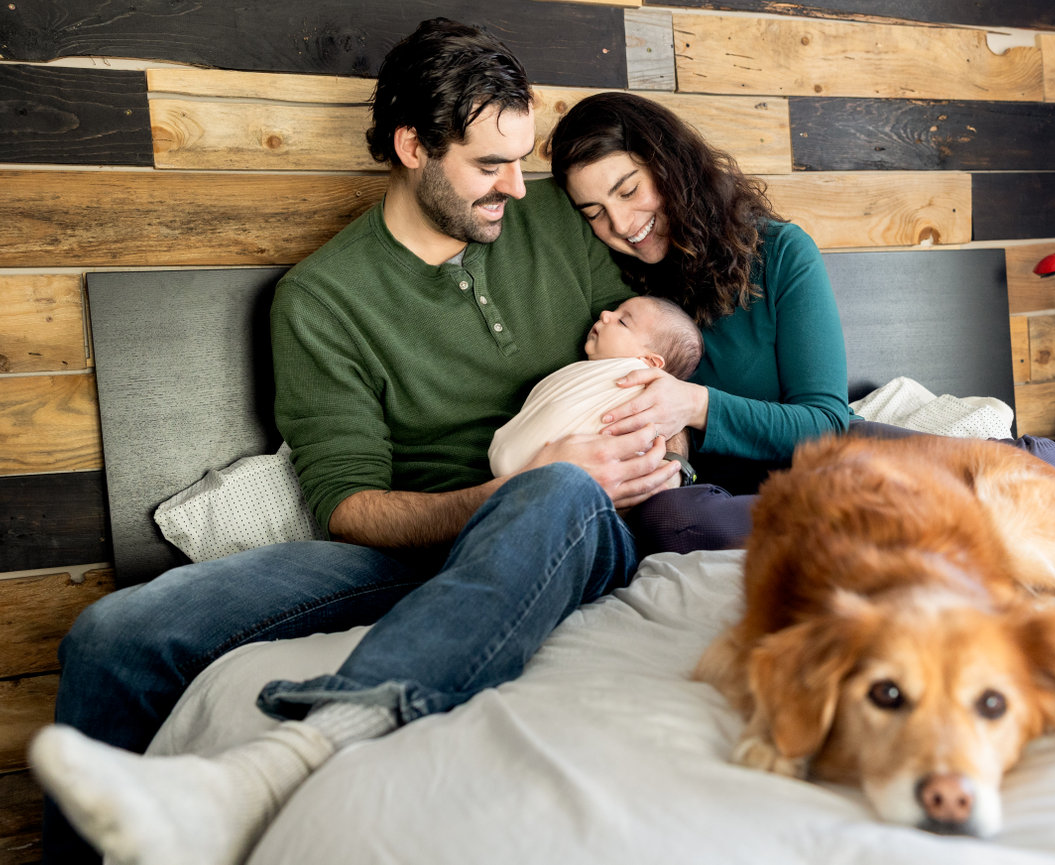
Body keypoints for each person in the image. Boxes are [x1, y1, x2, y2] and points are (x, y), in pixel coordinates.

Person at [28, 20, 683, 865]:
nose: (518, 188)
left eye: (522, 160)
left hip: (579, 528)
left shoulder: (558, 221)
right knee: (112, 636)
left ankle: (285, 759)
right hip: (412, 550)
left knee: (557, 490)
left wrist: (655, 433)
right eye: (490, 165)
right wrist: (503, 493)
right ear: (413, 147)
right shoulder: (323, 300)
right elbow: (348, 506)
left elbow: (654, 347)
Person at [545, 92, 1055, 552]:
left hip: (825, 453)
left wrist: (695, 404)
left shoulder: (780, 253)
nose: (622, 225)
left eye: (629, 190)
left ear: (669, 166)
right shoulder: (620, 289)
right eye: (595, 212)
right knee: (671, 524)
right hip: (735, 494)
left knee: (971, 467)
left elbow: (824, 422)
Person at [489, 294, 704, 478]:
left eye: (622, 322)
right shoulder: (586, 373)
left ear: (650, 362)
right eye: (615, 311)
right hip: (522, 465)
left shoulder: (639, 382)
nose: (605, 314)